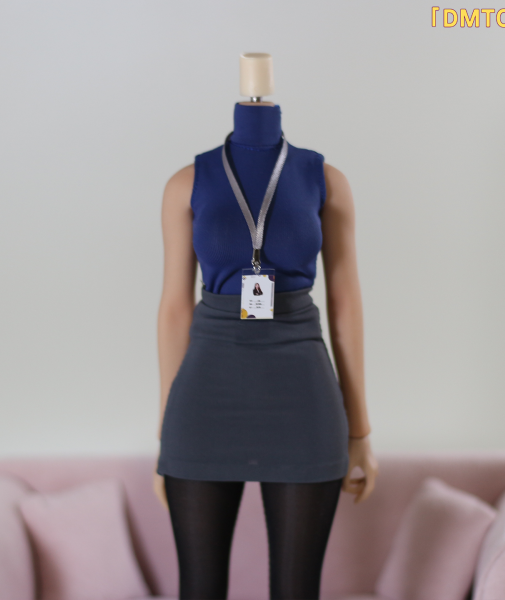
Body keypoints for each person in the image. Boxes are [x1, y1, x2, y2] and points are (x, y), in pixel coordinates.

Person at [153, 101, 378, 600]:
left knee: (298, 591)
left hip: (303, 397)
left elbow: (346, 304)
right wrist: (166, 432)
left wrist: (360, 431)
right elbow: (174, 308)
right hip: (204, 399)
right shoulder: (185, 184)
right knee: (199, 590)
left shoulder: (326, 180)